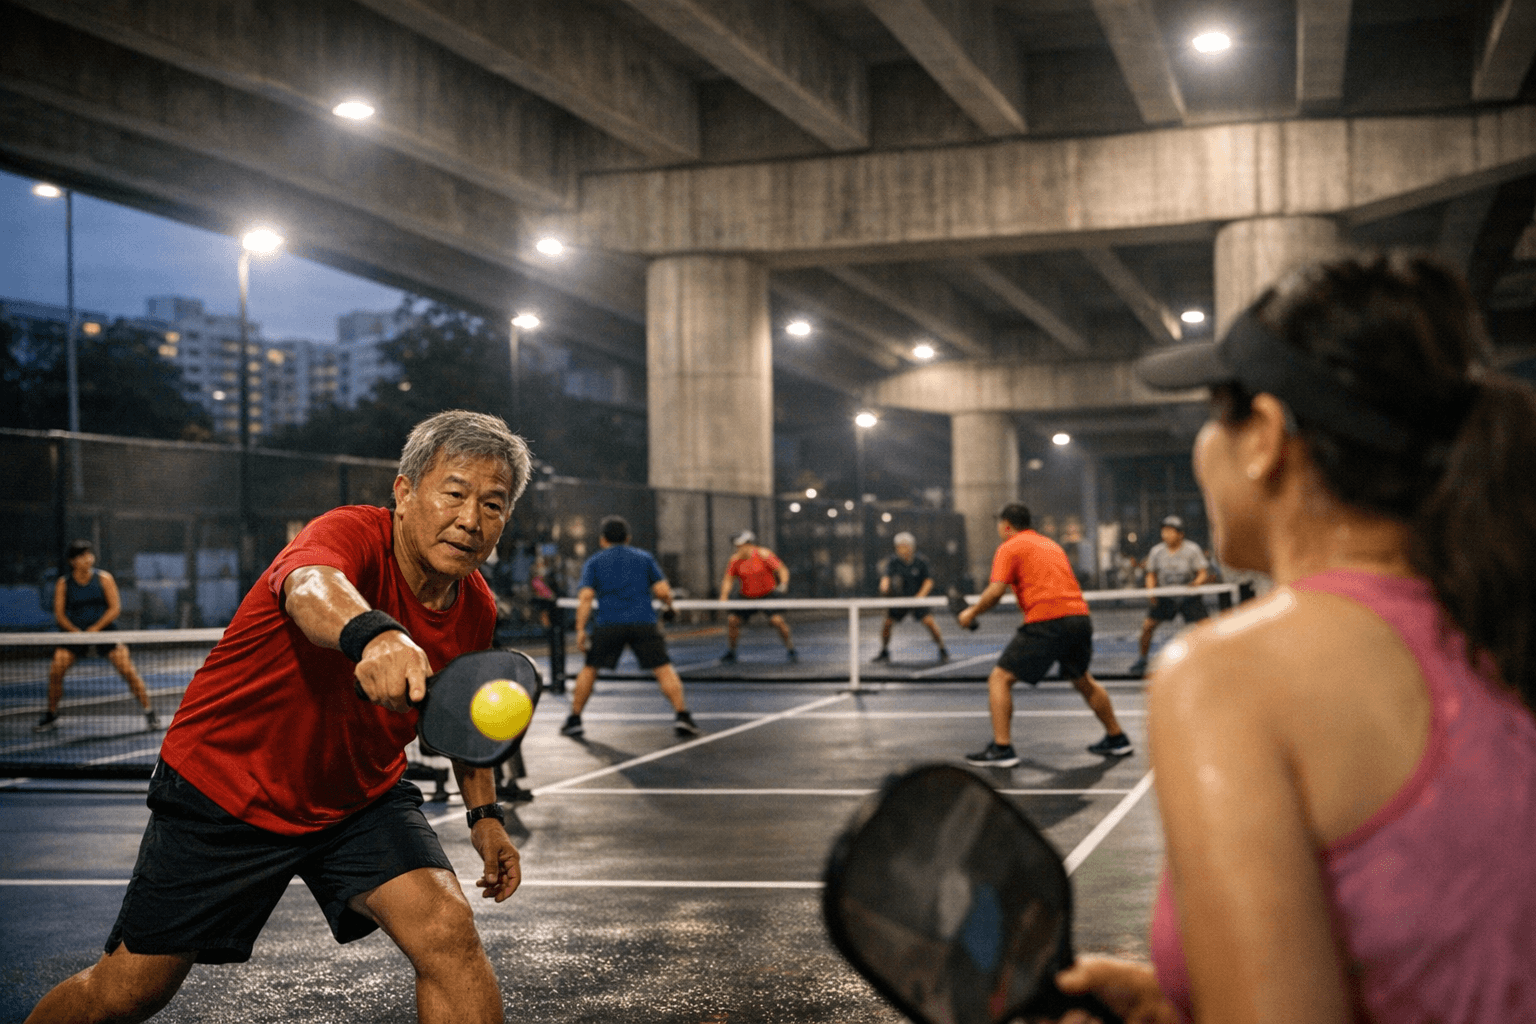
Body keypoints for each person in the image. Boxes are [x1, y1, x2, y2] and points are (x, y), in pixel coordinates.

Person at [1049, 252, 1536, 1023]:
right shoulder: (1504, 620)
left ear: (1266, 436)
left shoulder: (1228, 675)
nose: (1204, 445)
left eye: (1215, 413)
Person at [25, 410, 530, 1024]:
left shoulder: (473, 601)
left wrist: (485, 817)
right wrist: (375, 636)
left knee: (448, 931)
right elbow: (310, 586)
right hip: (228, 787)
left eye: (494, 505)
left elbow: (461, 717)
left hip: (354, 799)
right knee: (128, 991)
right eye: (454, 493)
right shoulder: (346, 535)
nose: (471, 519)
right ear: (404, 491)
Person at [959, 504, 1132, 766]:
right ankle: (1117, 738)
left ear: (1006, 525)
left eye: (999, 524)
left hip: (1049, 620)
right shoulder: (1051, 545)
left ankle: (1002, 749)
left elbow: (995, 592)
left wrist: (970, 613)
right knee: (1082, 678)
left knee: (1000, 678)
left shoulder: (1009, 546)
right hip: (1079, 618)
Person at [561, 515, 700, 739]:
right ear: (628, 538)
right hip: (643, 622)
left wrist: (579, 629)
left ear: (602, 539)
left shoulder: (594, 562)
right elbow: (663, 591)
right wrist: (670, 606)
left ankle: (574, 719)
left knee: (590, 669)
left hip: (608, 625)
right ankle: (683, 716)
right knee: (663, 668)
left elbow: (585, 597)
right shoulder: (644, 558)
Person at [34, 539, 159, 733]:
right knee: (56, 671)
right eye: (82, 556)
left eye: (89, 554)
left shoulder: (104, 578)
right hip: (73, 635)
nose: (88, 559)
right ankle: (51, 715)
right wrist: (76, 632)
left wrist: (95, 629)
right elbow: (59, 614)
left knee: (128, 671)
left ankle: (150, 712)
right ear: (73, 561)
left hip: (104, 633)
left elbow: (115, 609)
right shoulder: (63, 583)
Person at [1127, 516, 1210, 678]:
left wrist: (1196, 584)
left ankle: (1209, 661)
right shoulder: (1157, 551)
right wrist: (1151, 592)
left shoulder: (1192, 550)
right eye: (1164, 531)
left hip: (1188, 596)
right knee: (1147, 627)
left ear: (1180, 534)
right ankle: (1142, 660)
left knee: (1206, 628)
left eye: (1170, 531)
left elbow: (1202, 573)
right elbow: (1150, 574)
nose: (1166, 534)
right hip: (1165, 596)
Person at [718, 530, 797, 663]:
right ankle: (731, 652)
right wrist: (724, 596)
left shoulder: (764, 554)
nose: (738, 548)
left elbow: (782, 569)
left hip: (767, 595)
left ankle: (791, 649)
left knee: (777, 621)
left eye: (740, 545)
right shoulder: (735, 560)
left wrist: (783, 584)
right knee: (732, 620)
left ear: (749, 545)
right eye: (737, 546)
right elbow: (728, 579)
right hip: (746, 596)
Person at [873, 532, 948, 663]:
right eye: (898, 546)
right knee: (887, 624)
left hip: (917, 600)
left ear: (911, 547)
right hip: (900, 601)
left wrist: (920, 597)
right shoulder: (893, 561)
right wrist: (884, 586)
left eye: (904, 546)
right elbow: (886, 577)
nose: (901, 549)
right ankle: (884, 651)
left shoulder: (921, 561)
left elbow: (929, 581)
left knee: (929, 623)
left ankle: (942, 648)